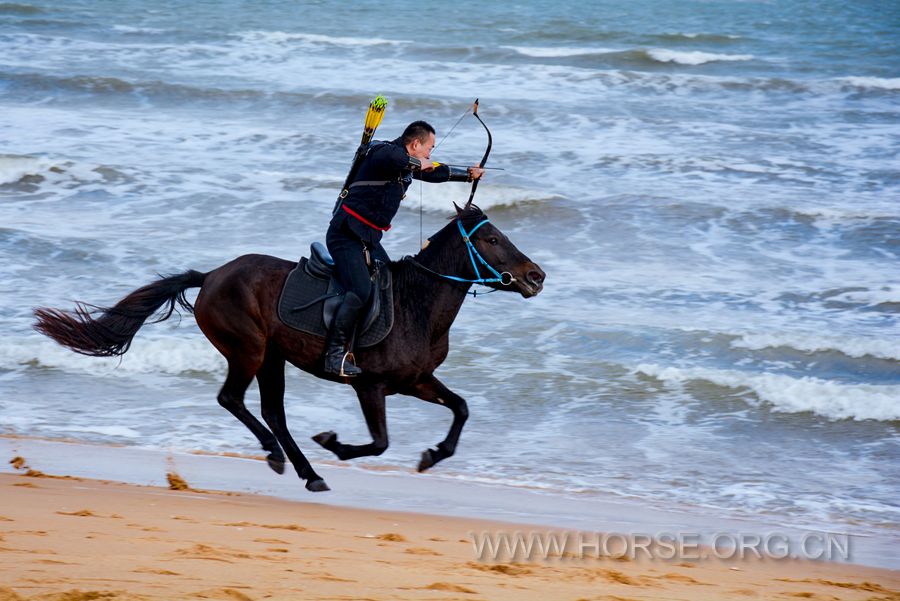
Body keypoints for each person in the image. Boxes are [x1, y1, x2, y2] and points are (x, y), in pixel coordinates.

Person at [324, 120, 484, 377]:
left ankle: (372, 347)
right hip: (345, 236)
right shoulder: (384, 153)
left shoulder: (406, 164)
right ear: (415, 143)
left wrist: (468, 174)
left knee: (389, 284)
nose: (431, 153)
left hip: (368, 240)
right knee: (361, 291)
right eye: (429, 148)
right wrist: (420, 163)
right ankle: (333, 356)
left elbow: (434, 172)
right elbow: (397, 158)